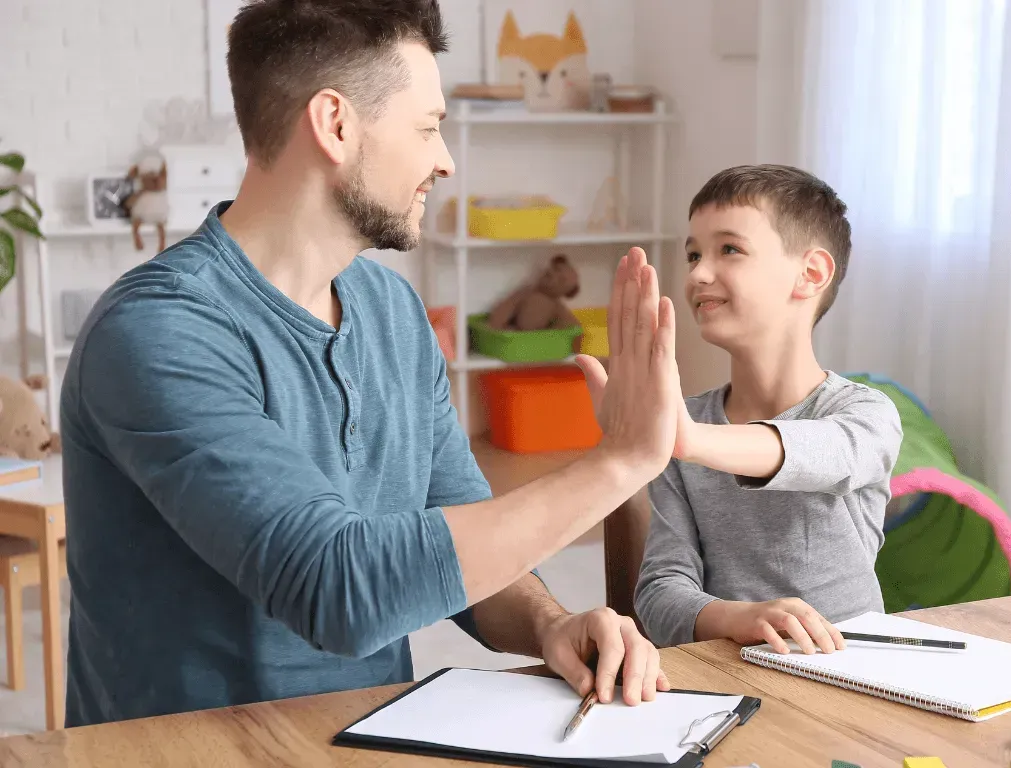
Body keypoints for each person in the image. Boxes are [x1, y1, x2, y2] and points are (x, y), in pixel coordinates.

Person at [59, 0, 680, 727]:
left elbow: (464, 535)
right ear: (336, 124)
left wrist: (549, 625)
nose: (445, 159)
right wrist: (621, 461)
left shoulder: (390, 308)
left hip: (365, 736)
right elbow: (338, 589)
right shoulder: (158, 331)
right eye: (427, 128)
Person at [618, 165, 903, 652]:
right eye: (693, 255)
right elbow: (661, 593)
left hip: (853, 675)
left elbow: (827, 455)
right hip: (726, 670)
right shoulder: (685, 427)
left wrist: (688, 440)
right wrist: (738, 618)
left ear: (810, 274)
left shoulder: (865, 414)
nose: (698, 273)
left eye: (729, 249)